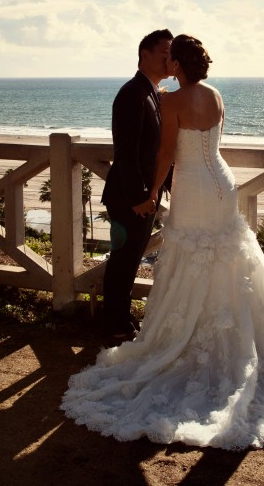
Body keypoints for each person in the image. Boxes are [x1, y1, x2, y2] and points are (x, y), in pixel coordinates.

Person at [62, 34, 264, 450]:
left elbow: (168, 154)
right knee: (228, 256)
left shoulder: (171, 99)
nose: (169, 62)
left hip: (191, 186)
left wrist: (153, 192)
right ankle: (239, 333)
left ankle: (190, 339)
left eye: (174, 58)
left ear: (179, 65)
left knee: (193, 255)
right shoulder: (216, 95)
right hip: (222, 183)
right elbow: (211, 143)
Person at [99, 29, 174, 340]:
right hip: (130, 198)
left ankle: (121, 319)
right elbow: (126, 152)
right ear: (145, 54)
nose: (171, 61)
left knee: (129, 262)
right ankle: (113, 324)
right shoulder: (132, 93)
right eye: (164, 54)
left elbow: (155, 148)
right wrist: (141, 196)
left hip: (141, 196)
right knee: (122, 261)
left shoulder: (152, 92)